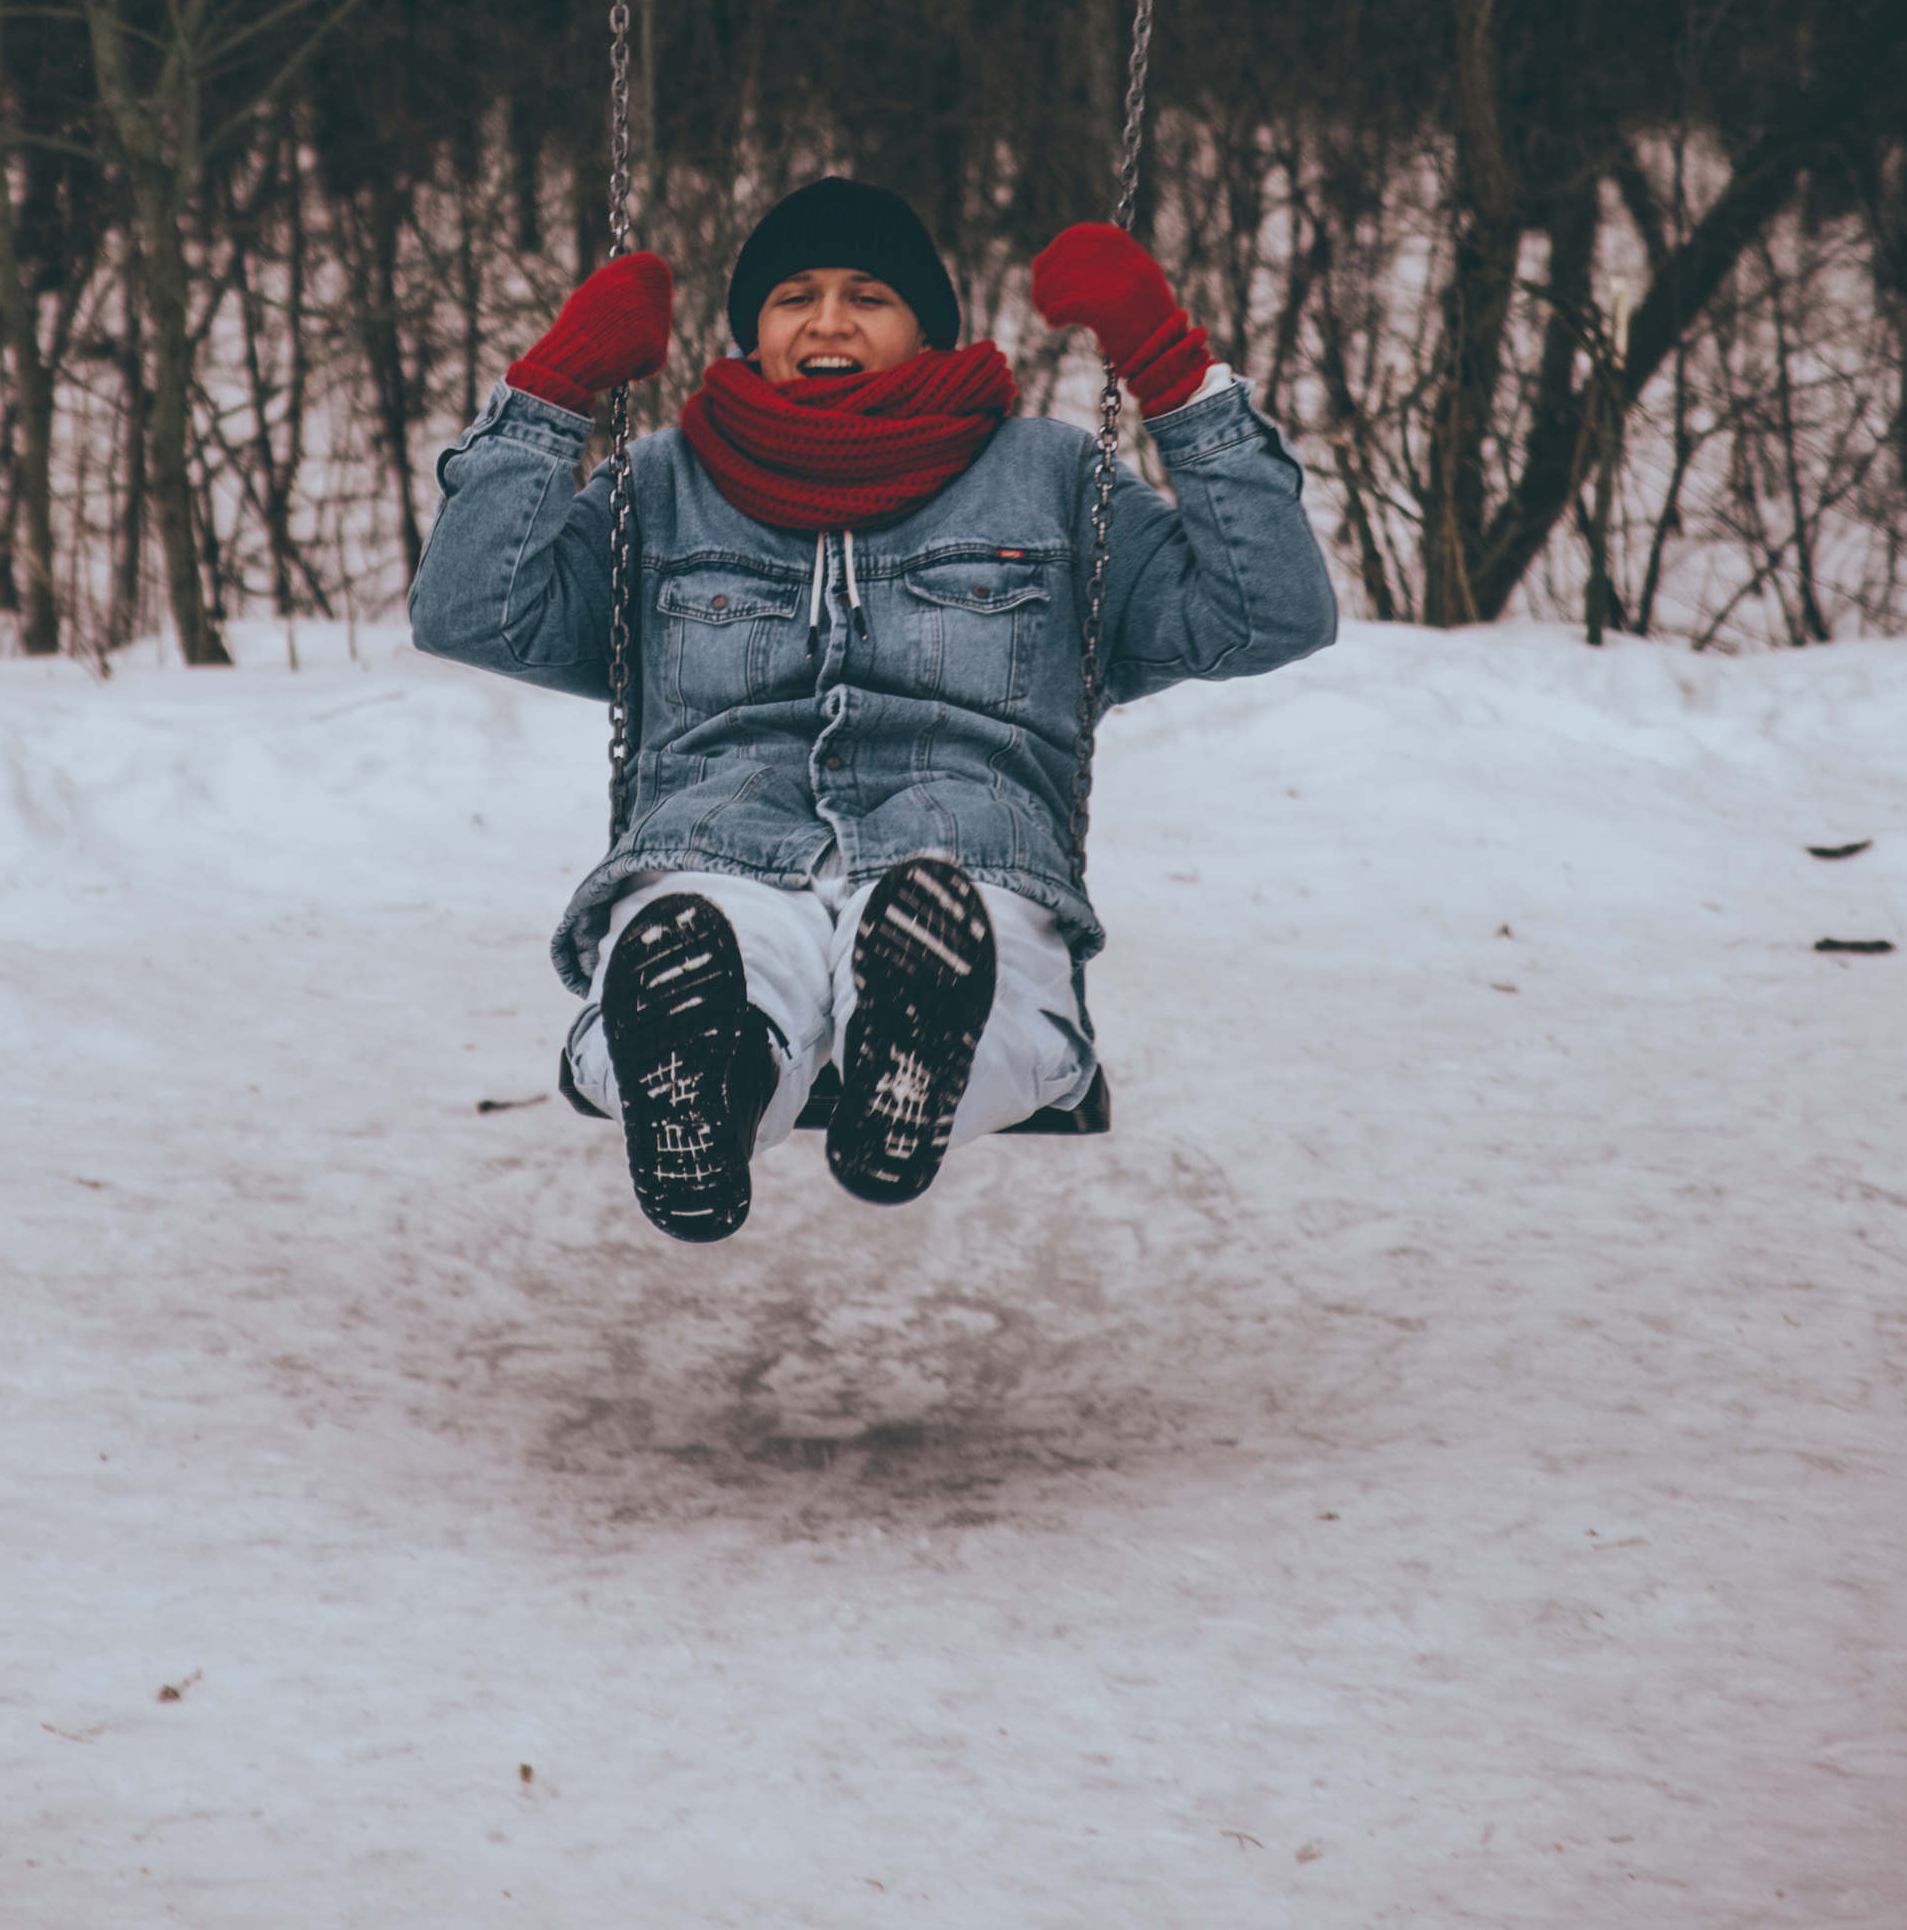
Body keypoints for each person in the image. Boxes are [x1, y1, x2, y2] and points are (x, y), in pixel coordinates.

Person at [408, 175, 1337, 1243]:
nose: (829, 321)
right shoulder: (660, 486)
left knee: (969, 952)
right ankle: (700, 1094)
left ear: (926, 328)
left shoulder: (1046, 478)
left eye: (868, 295)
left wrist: (1171, 370)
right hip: (717, 851)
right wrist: (555, 388)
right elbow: (471, 613)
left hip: (965, 856)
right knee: (703, 956)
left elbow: (1268, 612)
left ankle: (914, 1067)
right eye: (794, 295)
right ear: (754, 330)